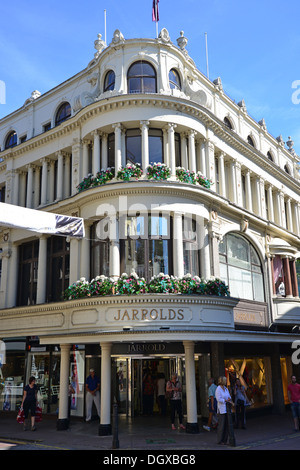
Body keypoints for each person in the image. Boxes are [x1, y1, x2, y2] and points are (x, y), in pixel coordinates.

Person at [215, 376, 233, 445]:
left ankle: (225, 440)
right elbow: (218, 399)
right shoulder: (218, 389)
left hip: (227, 409)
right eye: (225, 380)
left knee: (226, 425)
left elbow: (229, 396)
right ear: (222, 381)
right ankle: (220, 440)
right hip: (221, 409)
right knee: (221, 425)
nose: (226, 381)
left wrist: (229, 399)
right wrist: (225, 400)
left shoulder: (225, 388)